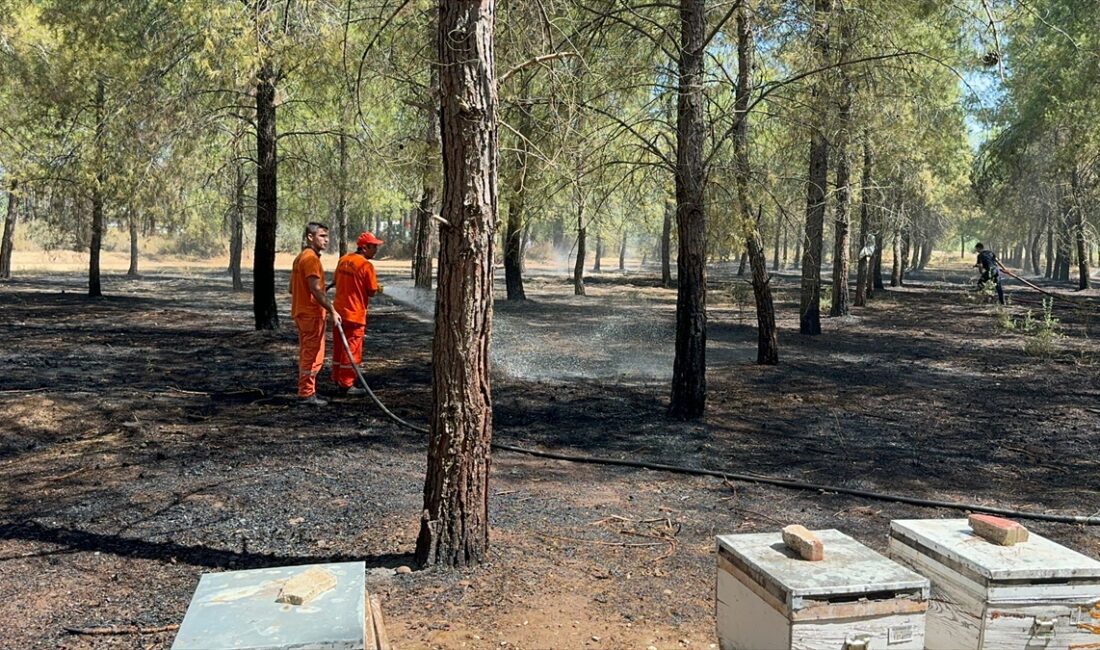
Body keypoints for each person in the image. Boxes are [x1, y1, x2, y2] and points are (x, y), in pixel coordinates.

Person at [290, 222, 341, 406]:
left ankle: (308, 391)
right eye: (321, 236)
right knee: (313, 355)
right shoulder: (311, 259)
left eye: (327, 236)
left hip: (302, 313)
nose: (326, 240)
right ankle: (306, 394)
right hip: (311, 315)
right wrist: (332, 309)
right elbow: (315, 290)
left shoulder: (300, 258)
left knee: (308, 352)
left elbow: (292, 288)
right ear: (310, 237)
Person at [331, 232, 384, 395]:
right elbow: (372, 291)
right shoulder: (366, 266)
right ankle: (346, 385)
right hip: (355, 315)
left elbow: (337, 281)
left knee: (339, 348)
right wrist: (378, 288)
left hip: (338, 313)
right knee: (352, 350)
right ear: (364, 247)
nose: (376, 250)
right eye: (373, 247)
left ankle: (337, 378)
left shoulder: (344, 260)